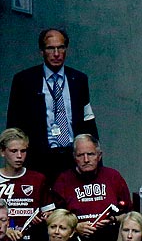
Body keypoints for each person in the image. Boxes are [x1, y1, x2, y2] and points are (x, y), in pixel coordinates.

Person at [6, 29, 98, 178]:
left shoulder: (79, 79)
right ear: (42, 52)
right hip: (39, 158)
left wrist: (94, 156)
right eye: (50, 48)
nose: (56, 53)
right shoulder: (24, 80)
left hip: (71, 156)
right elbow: (14, 123)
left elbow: (88, 120)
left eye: (61, 47)